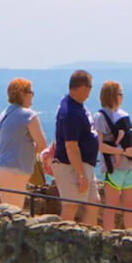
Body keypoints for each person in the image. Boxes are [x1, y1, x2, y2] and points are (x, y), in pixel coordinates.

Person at [94, 81, 132, 231]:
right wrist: (121, 152)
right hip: (113, 167)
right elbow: (99, 145)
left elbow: (131, 138)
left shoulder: (122, 115)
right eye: (120, 94)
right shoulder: (100, 117)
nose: (122, 97)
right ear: (113, 96)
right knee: (111, 205)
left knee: (130, 206)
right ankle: (108, 235)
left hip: (128, 166)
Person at [53, 69, 101, 226]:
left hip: (85, 164)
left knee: (93, 203)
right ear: (83, 87)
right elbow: (71, 145)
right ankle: (63, 236)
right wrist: (81, 175)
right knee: (71, 205)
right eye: (90, 87)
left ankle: (90, 236)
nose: (90, 92)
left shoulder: (77, 106)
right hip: (71, 166)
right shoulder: (71, 112)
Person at [0, 78, 48, 207]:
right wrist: (29, 152)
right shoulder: (28, 115)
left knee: (6, 210)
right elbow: (42, 144)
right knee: (15, 210)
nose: (32, 95)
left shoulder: (4, 113)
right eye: (31, 92)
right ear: (22, 93)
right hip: (16, 169)